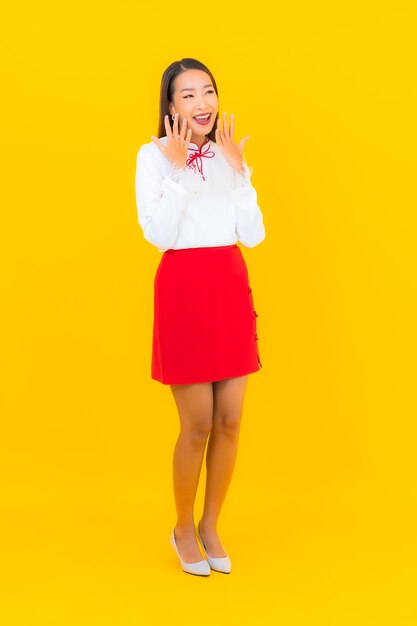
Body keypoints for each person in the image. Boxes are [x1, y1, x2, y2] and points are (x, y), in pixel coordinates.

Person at [134, 58, 266, 576]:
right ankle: (182, 528)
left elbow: (252, 235)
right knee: (197, 424)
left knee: (231, 420)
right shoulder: (152, 157)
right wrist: (181, 169)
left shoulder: (227, 157)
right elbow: (160, 236)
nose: (201, 103)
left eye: (207, 91)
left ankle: (211, 525)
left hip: (229, 288)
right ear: (170, 106)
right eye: (187, 95)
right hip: (185, 291)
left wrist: (237, 175)